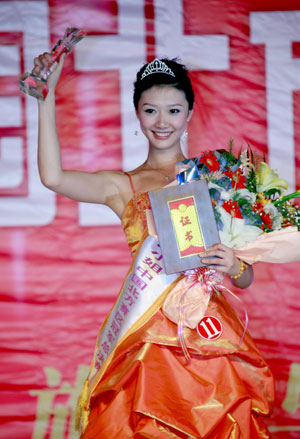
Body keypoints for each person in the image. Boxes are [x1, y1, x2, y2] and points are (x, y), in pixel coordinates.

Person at [33, 54, 274, 438]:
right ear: (138, 114)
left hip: (209, 334)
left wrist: (234, 266)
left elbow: (245, 279)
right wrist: (44, 103)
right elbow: (54, 177)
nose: (163, 122)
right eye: (151, 111)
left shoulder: (218, 178)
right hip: (147, 337)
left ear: (189, 113)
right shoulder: (122, 185)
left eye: (173, 110)